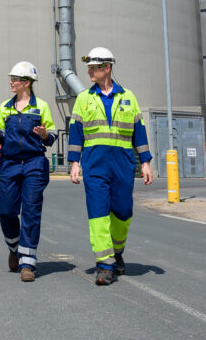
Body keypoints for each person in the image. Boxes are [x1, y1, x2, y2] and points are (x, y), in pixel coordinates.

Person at [68, 46, 152, 286]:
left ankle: (117, 251)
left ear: (107, 68)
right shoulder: (84, 98)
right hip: (95, 165)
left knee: (123, 211)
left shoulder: (128, 97)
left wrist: (145, 162)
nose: (89, 72)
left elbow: (139, 131)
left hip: (123, 164)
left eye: (93, 68)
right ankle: (105, 265)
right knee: (98, 213)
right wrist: (74, 162)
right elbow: (76, 132)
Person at [0, 61, 57, 282]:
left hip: (34, 163)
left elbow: (52, 135)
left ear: (27, 82)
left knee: (31, 211)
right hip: (8, 164)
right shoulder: (5, 107)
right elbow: (2, 137)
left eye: (15, 79)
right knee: (7, 212)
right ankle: (13, 247)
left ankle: (28, 263)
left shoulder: (41, 106)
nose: (11, 82)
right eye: (11, 79)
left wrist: (45, 134)